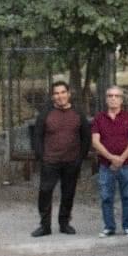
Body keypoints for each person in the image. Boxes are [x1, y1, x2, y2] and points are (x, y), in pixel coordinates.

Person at [30, 81, 91, 236]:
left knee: (68, 192)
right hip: (50, 161)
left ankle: (64, 223)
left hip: (72, 161)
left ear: (68, 94)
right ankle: (45, 226)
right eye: (56, 93)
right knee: (45, 192)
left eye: (63, 92)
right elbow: (37, 136)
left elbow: (86, 137)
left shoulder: (78, 113)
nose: (60, 96)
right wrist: (41, 156)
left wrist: (80, 157)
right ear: (52, 96)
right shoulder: (45, 114)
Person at [90, 86, 128, 238]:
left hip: (127, 164)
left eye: (117, 96)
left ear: (122, 99)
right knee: (106, 197)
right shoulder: (99, 118)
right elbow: (95, 142)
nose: (113, 98)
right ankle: (109, 227)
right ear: (106, 98)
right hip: (106, 165)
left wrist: (121, 159)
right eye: (110, 95)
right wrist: (112, 158)